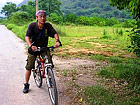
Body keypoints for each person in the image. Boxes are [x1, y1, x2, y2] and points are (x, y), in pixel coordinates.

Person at [23, 10, 61, 93]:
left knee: (49, 64)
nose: (43, 18)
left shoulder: (47, 26)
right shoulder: (32, 26)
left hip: (44, 48)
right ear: (37, 18)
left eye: (44, 16)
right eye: (41, 16)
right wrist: (30, 45)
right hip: (34, 48)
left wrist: (57, 41)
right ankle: (26, 84)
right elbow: (27, 36)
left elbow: (54, 33)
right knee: (29, 67)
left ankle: (50, 78)